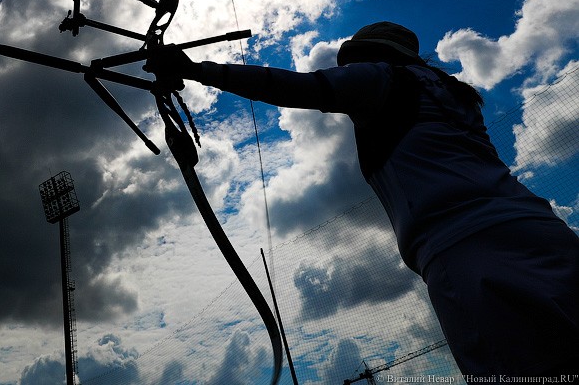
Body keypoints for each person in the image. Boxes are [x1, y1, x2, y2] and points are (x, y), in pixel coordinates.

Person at [147, 21, 579, 377]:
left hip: (464, 249)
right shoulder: (452, 92)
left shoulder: (380, 77)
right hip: (542, 232)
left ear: (369, 55)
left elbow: (302, 88)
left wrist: (197, 70)